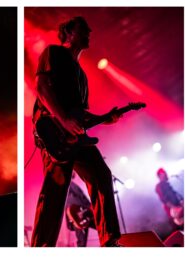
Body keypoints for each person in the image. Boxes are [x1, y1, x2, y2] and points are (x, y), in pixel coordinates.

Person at [31, 16, 123, 247]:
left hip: (76, 137)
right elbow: (42, 88)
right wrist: (62, 119)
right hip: (54, 133)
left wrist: (106, 119)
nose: (89, 33)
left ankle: (110, 240)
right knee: (55, 193)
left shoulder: (81, 75)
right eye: (84, 30)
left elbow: (80, 114)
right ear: (69, 33)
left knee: (101, 175)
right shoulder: (53, 53)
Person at [65, 180, 95, 247]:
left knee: (82, 242)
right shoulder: (68, 183)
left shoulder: (68, 183)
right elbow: (79, 194)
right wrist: (89, 205)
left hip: (80, 213)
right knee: (82, 242)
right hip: (78, 213)